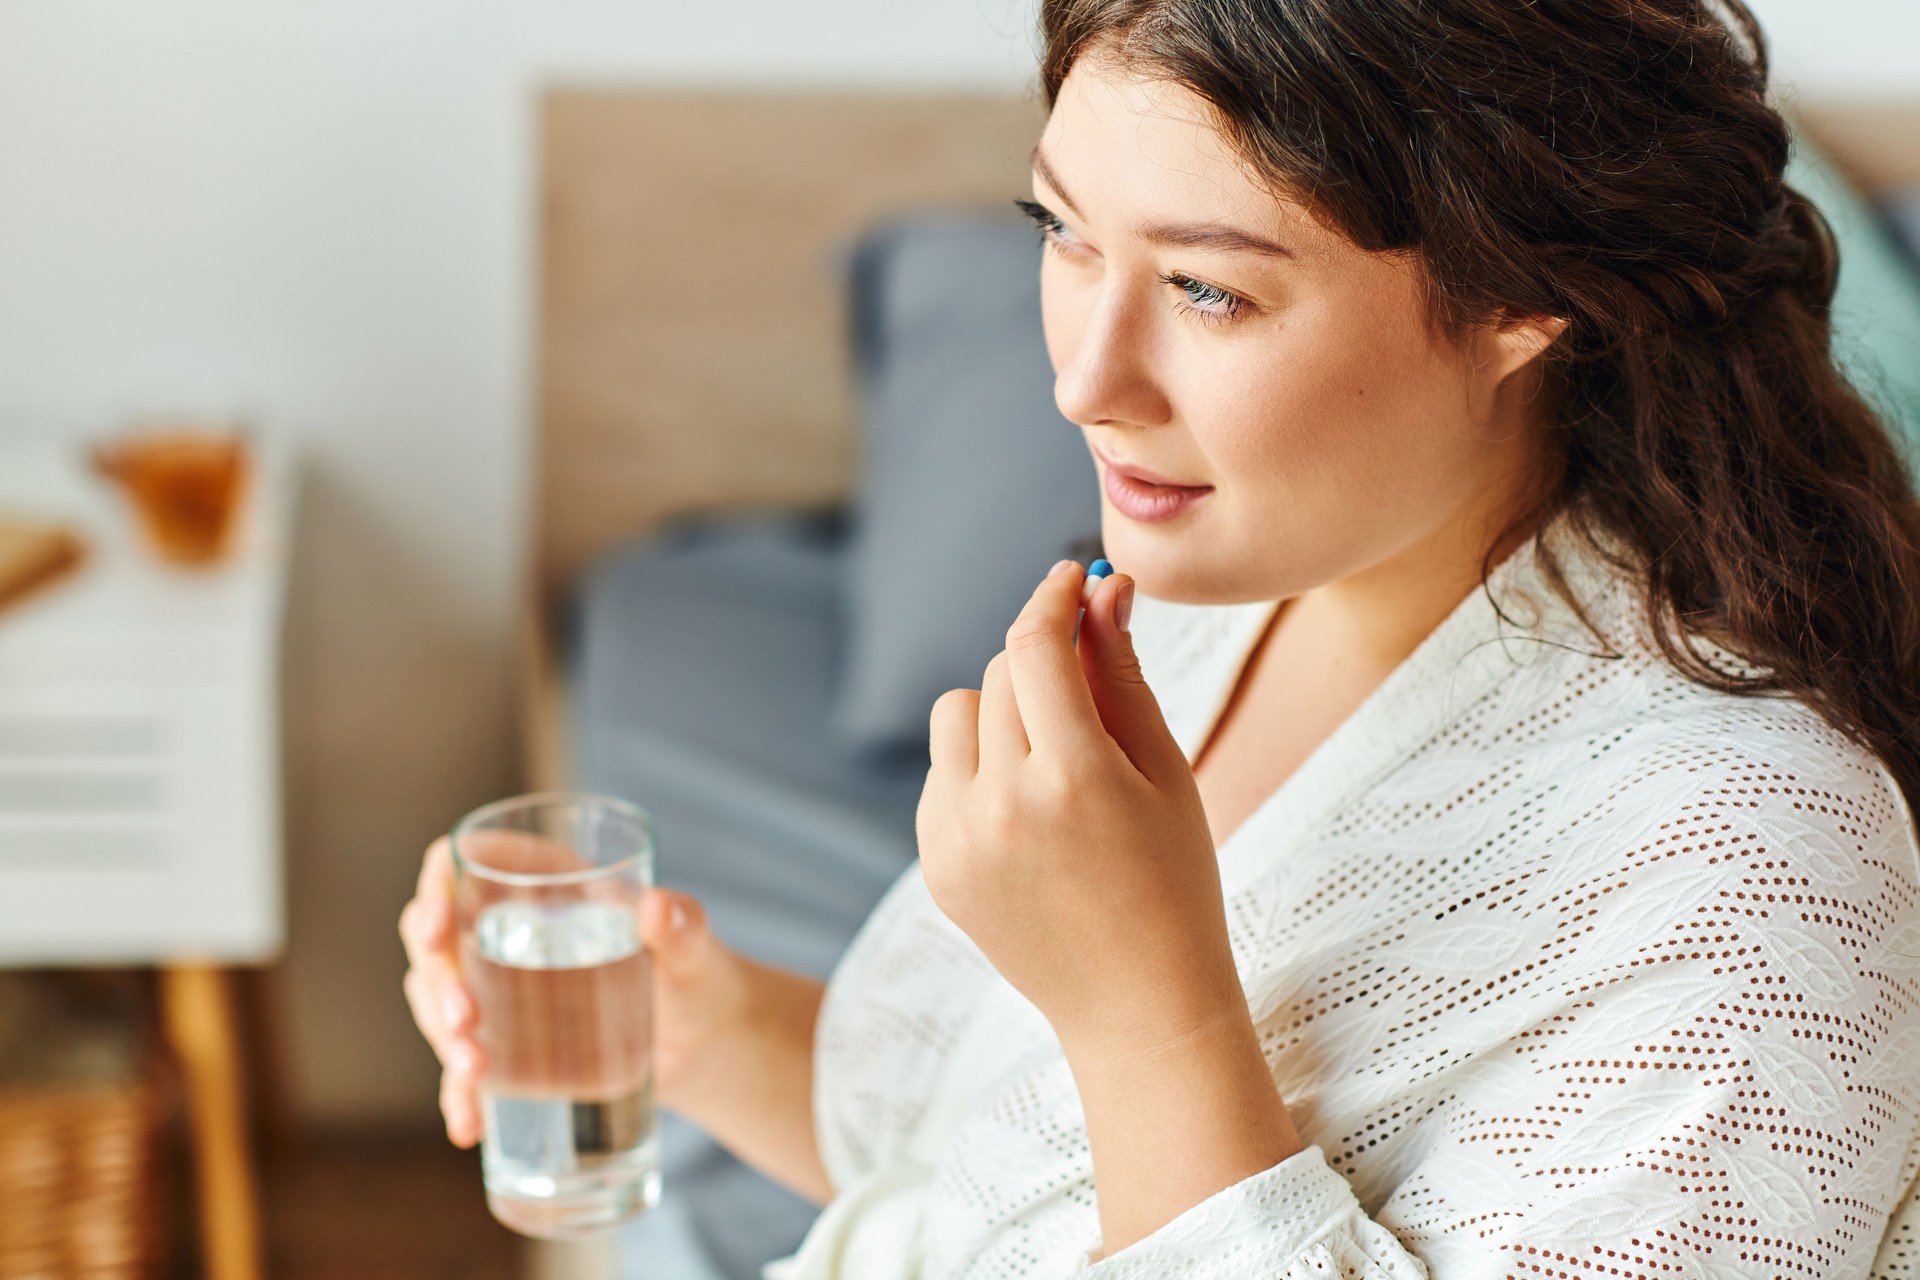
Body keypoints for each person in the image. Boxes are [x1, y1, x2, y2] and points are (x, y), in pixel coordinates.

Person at [402, 0, 1920, 1273]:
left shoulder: (1763, 872)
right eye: (1063, 234)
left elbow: (1134, 1096)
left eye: (1208, 288)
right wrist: (694, 1021)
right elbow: (994, 1187)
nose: (1084, 379)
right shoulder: (1214, 603)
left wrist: (1149, 1006)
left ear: (1525, 298)